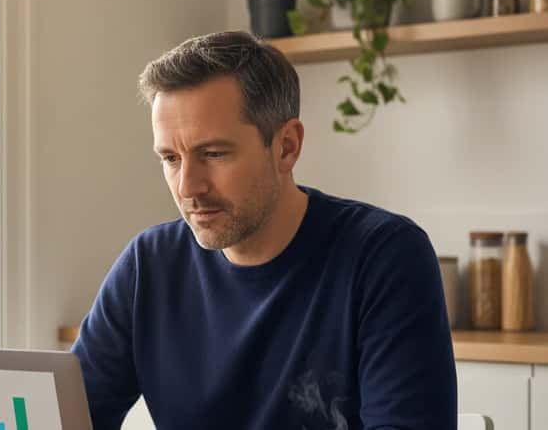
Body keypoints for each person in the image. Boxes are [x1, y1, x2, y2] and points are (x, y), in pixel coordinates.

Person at [71, 31, 457, 430]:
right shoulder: (149, 266)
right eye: (171, 158)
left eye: (213, 153)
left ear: (287, 146)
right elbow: (67, 417)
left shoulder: (384, 257)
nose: (188, 187)